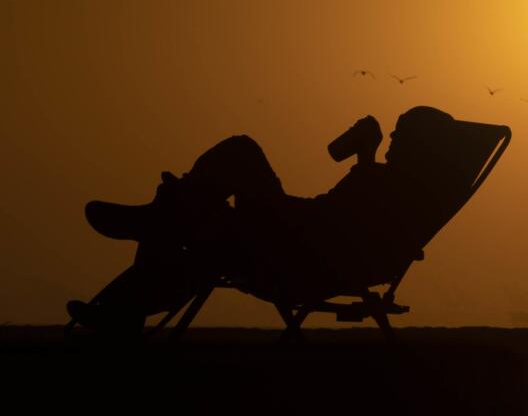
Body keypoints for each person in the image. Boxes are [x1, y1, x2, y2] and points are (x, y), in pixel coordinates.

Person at [68, 106, 468, 334]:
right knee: (194, 231)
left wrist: (365, 158)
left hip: (301, 249)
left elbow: (347, 232)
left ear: (421, 144)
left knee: (240, 155)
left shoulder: (403, 188)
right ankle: (121, 309)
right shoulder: (397, 183)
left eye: (400, 135)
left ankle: (127, 291)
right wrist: (365, 162)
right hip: (298, 237)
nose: (392, 141)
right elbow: (338, 214)